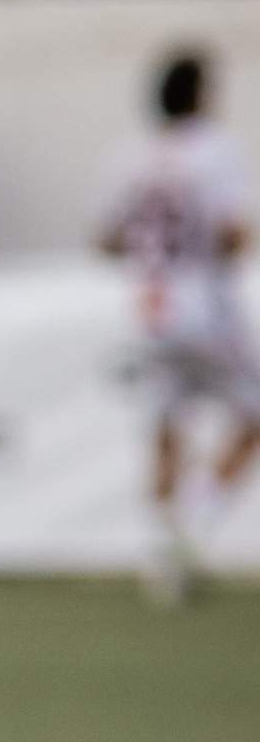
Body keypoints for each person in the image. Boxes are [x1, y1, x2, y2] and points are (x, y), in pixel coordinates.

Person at [96, 51, 260, 603]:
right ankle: (197, 516)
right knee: (253, 411)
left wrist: (149, 252)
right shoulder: (214, 150)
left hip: (151, 306)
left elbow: (105, 236)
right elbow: (230, 232)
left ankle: (161, 559)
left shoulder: (133, 154)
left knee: (167, 426)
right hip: (204, 306)